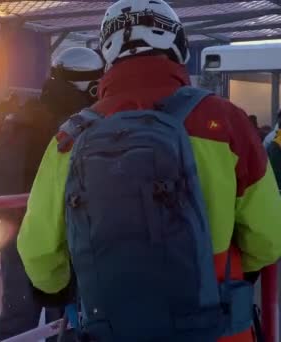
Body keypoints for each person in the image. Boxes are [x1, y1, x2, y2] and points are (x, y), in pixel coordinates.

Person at [18, 1, 281, 341]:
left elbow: (39, 252)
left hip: (112, 325)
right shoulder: (226, 122)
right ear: (178, 46)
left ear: (107, 54)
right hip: (215, 326)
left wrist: (56, 288)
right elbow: (267, 237)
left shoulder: (71, 137)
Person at [0, 47, 104, 342]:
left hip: (13, 231)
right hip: (60, 234)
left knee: (18, 317)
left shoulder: (22, 117)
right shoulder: (76, 123)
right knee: (64, 317)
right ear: (90, 85)